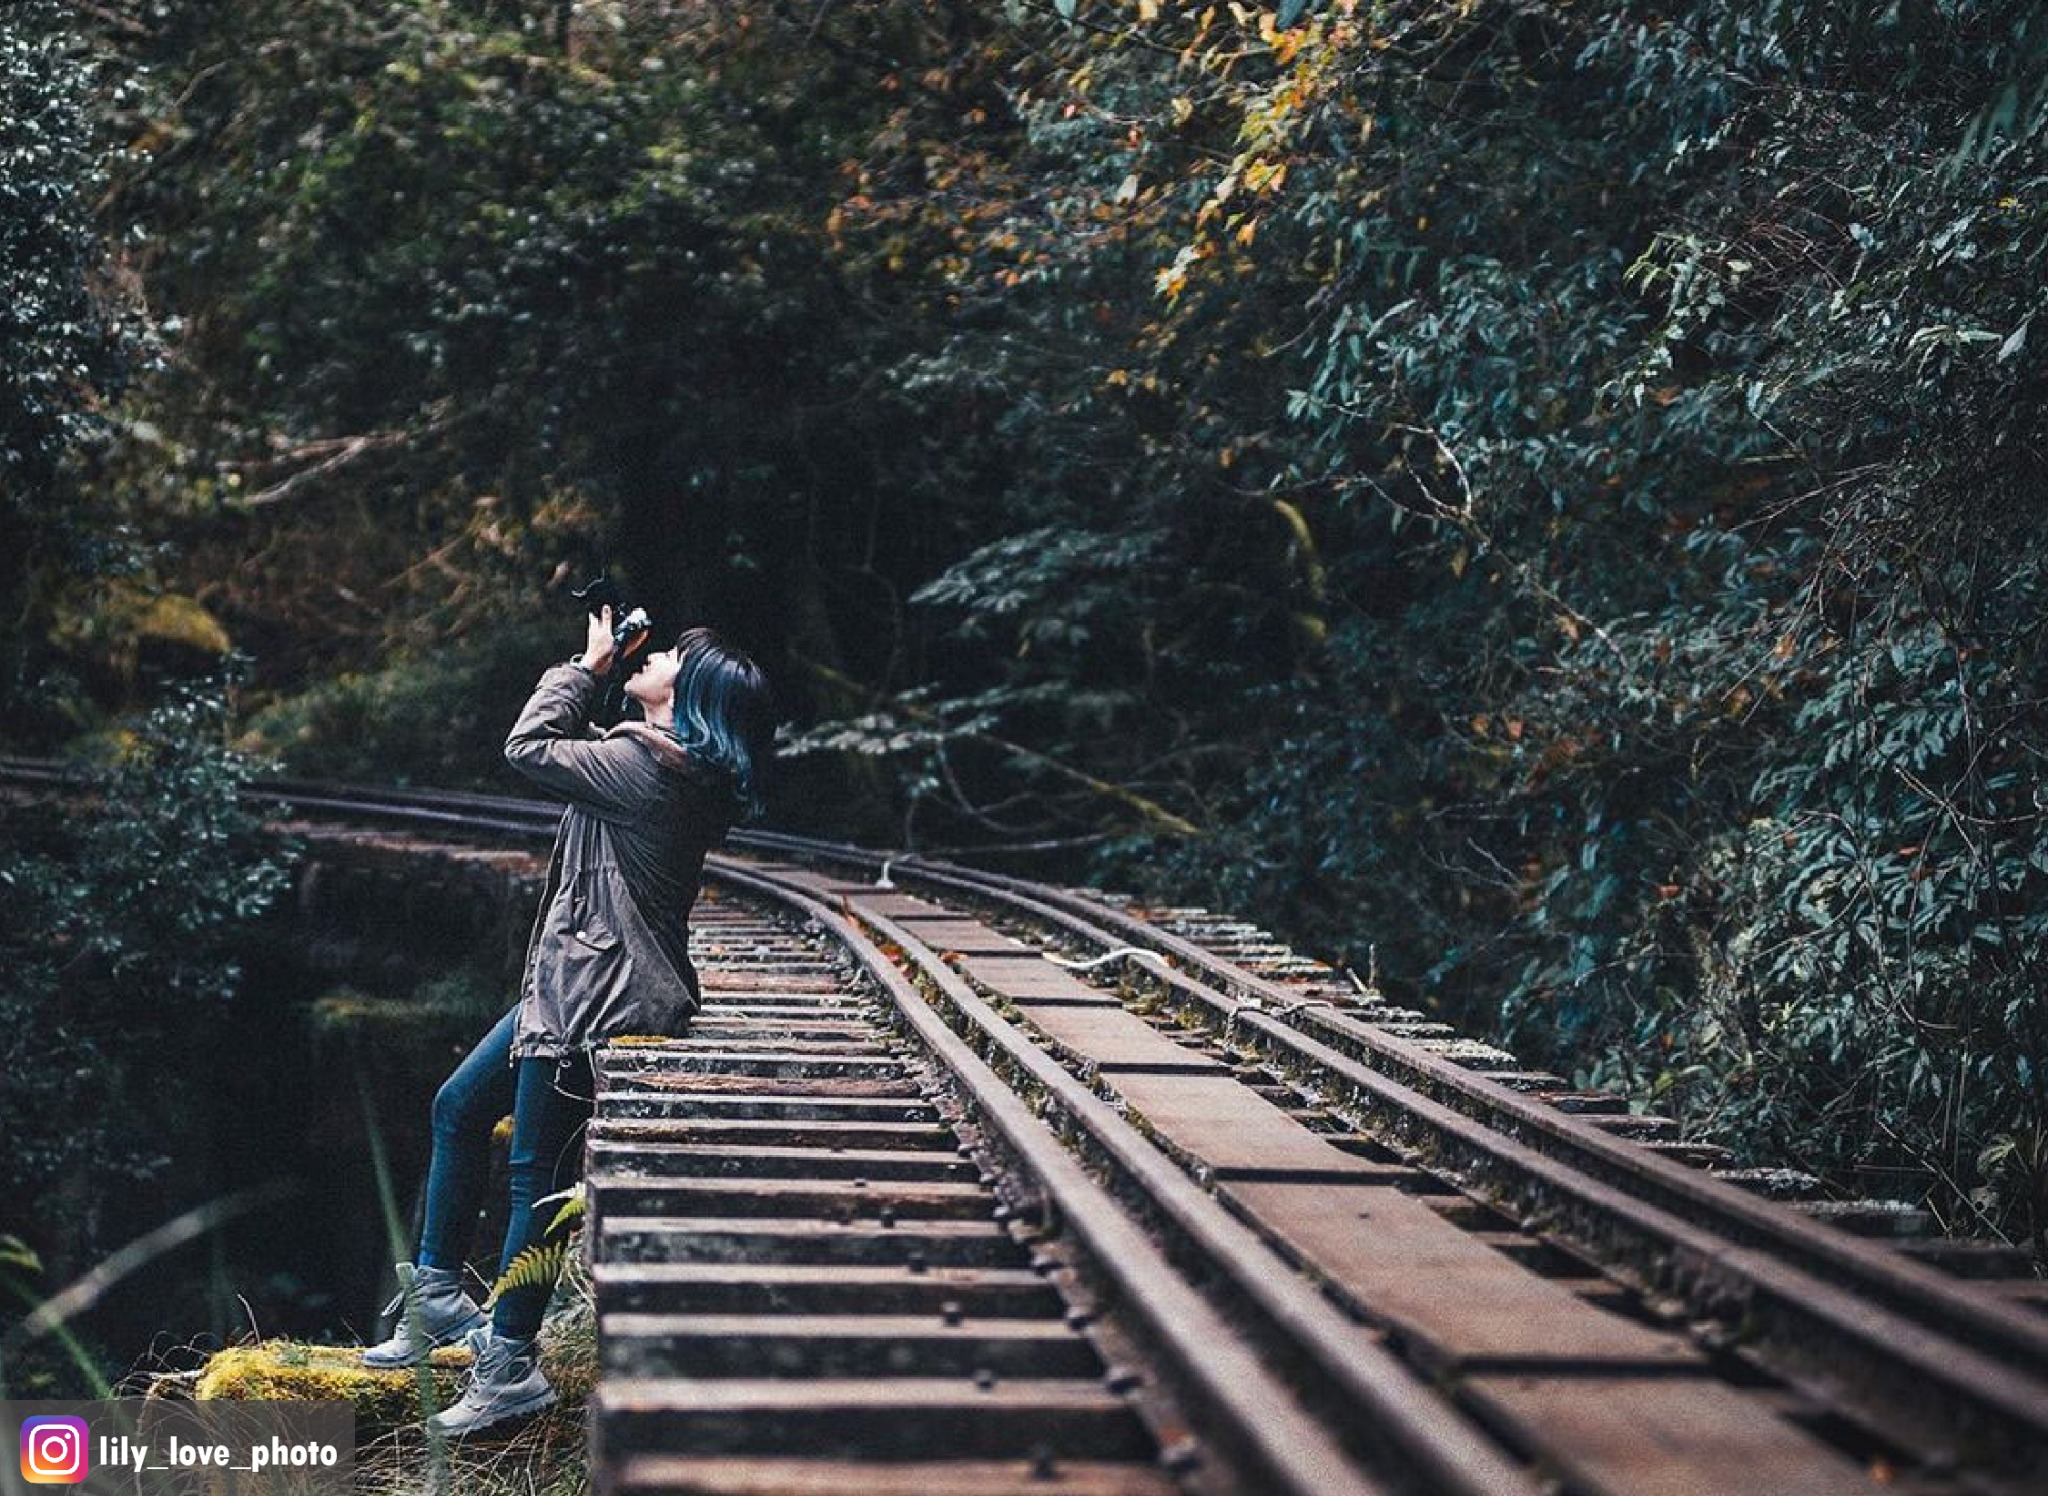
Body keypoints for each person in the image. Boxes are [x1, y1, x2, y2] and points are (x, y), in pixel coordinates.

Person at [361, 607, 772, 1437]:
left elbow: (529, 747)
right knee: (458, 1107)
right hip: (579, 981)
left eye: (667, 658)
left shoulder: (641, 768)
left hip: (595, 997)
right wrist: (606, 674)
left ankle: (509, 1363)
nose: (649, 657)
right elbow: (594, 750)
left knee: (536, 1180)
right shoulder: (674, 768)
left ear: (686, 694)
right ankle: (438, 1297)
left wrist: (587, 665)